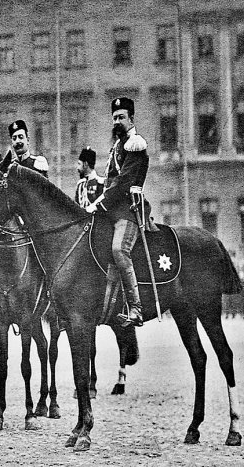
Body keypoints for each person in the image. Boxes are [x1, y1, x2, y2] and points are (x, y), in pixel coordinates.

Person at [85, 97, 148, 327]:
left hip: (128, 210)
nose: (117, 122)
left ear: (131, 118)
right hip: (111, 209)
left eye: (121, 117)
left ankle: (136, 308)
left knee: (119, 249)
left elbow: (123, 182)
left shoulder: (135, 144)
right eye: (114, 118)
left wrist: (100, 203)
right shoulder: (117, 146)